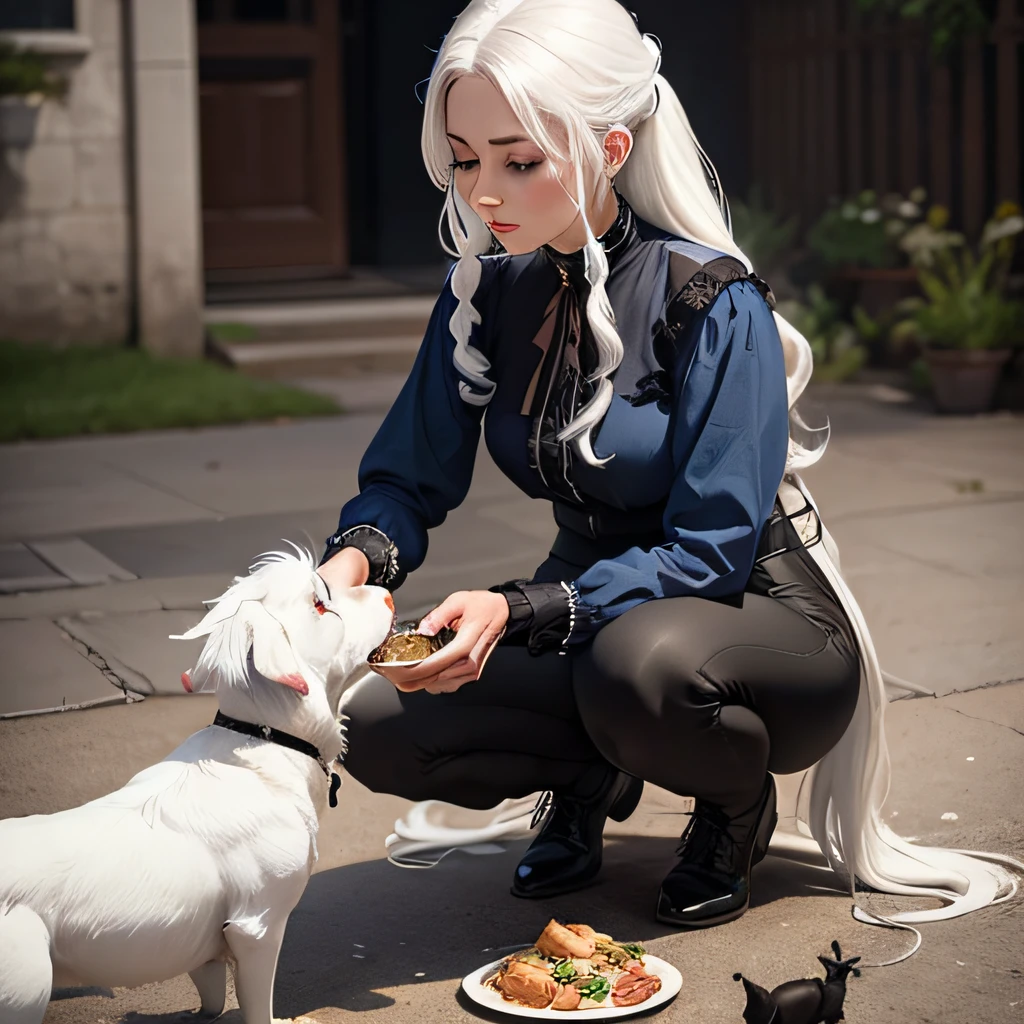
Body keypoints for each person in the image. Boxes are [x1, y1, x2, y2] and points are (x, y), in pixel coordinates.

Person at [317, 0, 1017, 938]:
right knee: (374, 719)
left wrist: (520, 608)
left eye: (519, 161)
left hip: (754, 629)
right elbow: (407, 477)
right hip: (596, 623)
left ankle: (734, 810)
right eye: (465, 157)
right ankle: (583, 774)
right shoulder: (485, 295)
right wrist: (344, 572)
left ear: (609, 149)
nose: (484, 192)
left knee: (630, 663)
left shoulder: (713, 299)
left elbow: (710, 552)